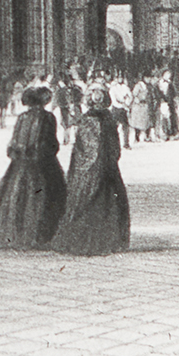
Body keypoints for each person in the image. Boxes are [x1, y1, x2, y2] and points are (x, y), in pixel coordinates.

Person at [51, 83, 129, 255]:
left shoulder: (91, 119)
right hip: (105, 169)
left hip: (92, 170)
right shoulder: (106, 119)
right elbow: (113, 148)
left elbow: (85, 149)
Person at [0, 85, 67, 248]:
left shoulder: (22, 117)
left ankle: (19, 233)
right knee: (45, 196)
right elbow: (52, 143)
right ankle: (41, 235)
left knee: (18, 197)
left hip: (21, 162)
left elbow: (14, 142)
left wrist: (19, 153)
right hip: (43, 162)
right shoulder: (48, 117)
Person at [129, 77, 153, 144]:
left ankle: (147, 136)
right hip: (138, 106)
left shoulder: (148, 86)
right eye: (148, 78)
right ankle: (137, 137)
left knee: (147, 121)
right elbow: (134, 94)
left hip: (145, 105)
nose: (149, 79)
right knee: (138, 122)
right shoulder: (138, 85)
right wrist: (137, 99)